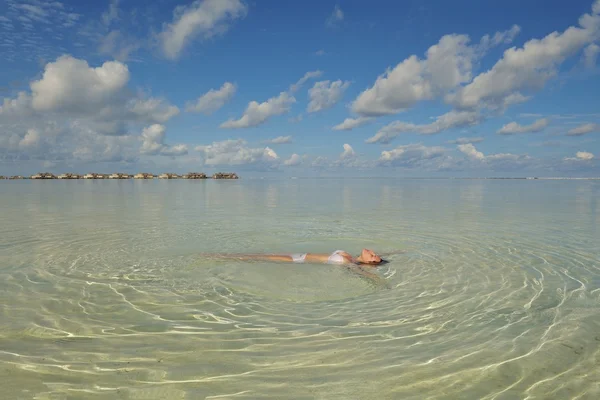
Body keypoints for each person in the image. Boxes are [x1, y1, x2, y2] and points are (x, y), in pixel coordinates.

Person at [230, 248, 384, 266]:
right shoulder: (350, 256)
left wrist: (379, 282)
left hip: (298, 259)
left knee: (256, 257)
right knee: (259, 255)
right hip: (298, 254)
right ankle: (227, 256)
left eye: (374, 255)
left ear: (370, 261)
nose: (373, 251)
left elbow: (361, 274)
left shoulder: (348, 262)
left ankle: (220, 257)